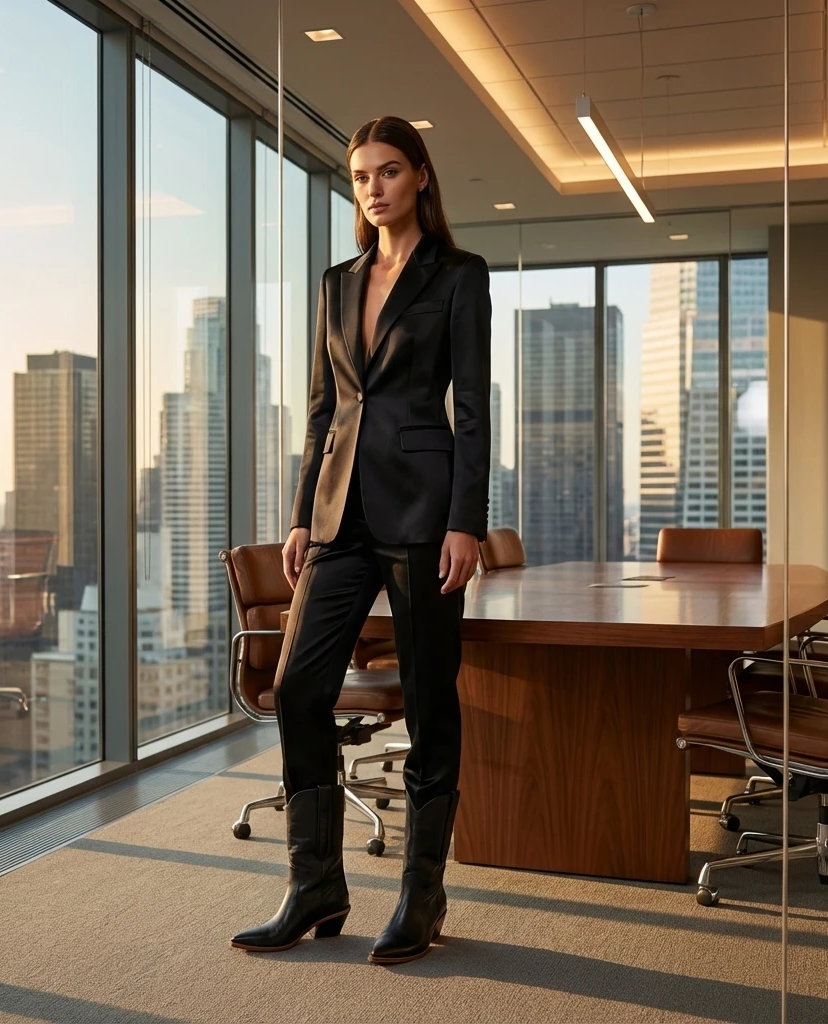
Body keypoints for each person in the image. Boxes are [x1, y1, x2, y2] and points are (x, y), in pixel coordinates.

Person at [230, 115, 491, 964]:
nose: (373, 188)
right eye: (361, 176)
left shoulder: (458, 275)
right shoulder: (336, 282)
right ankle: (315, 885)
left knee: (429, 700)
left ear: (420, 176)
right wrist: (302, 513)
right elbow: (323, 409)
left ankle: (423, 895)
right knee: (297, 687)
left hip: (425, 513)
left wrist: (466, 521)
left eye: (388, 172)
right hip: (339, 514)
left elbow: (472, 410)